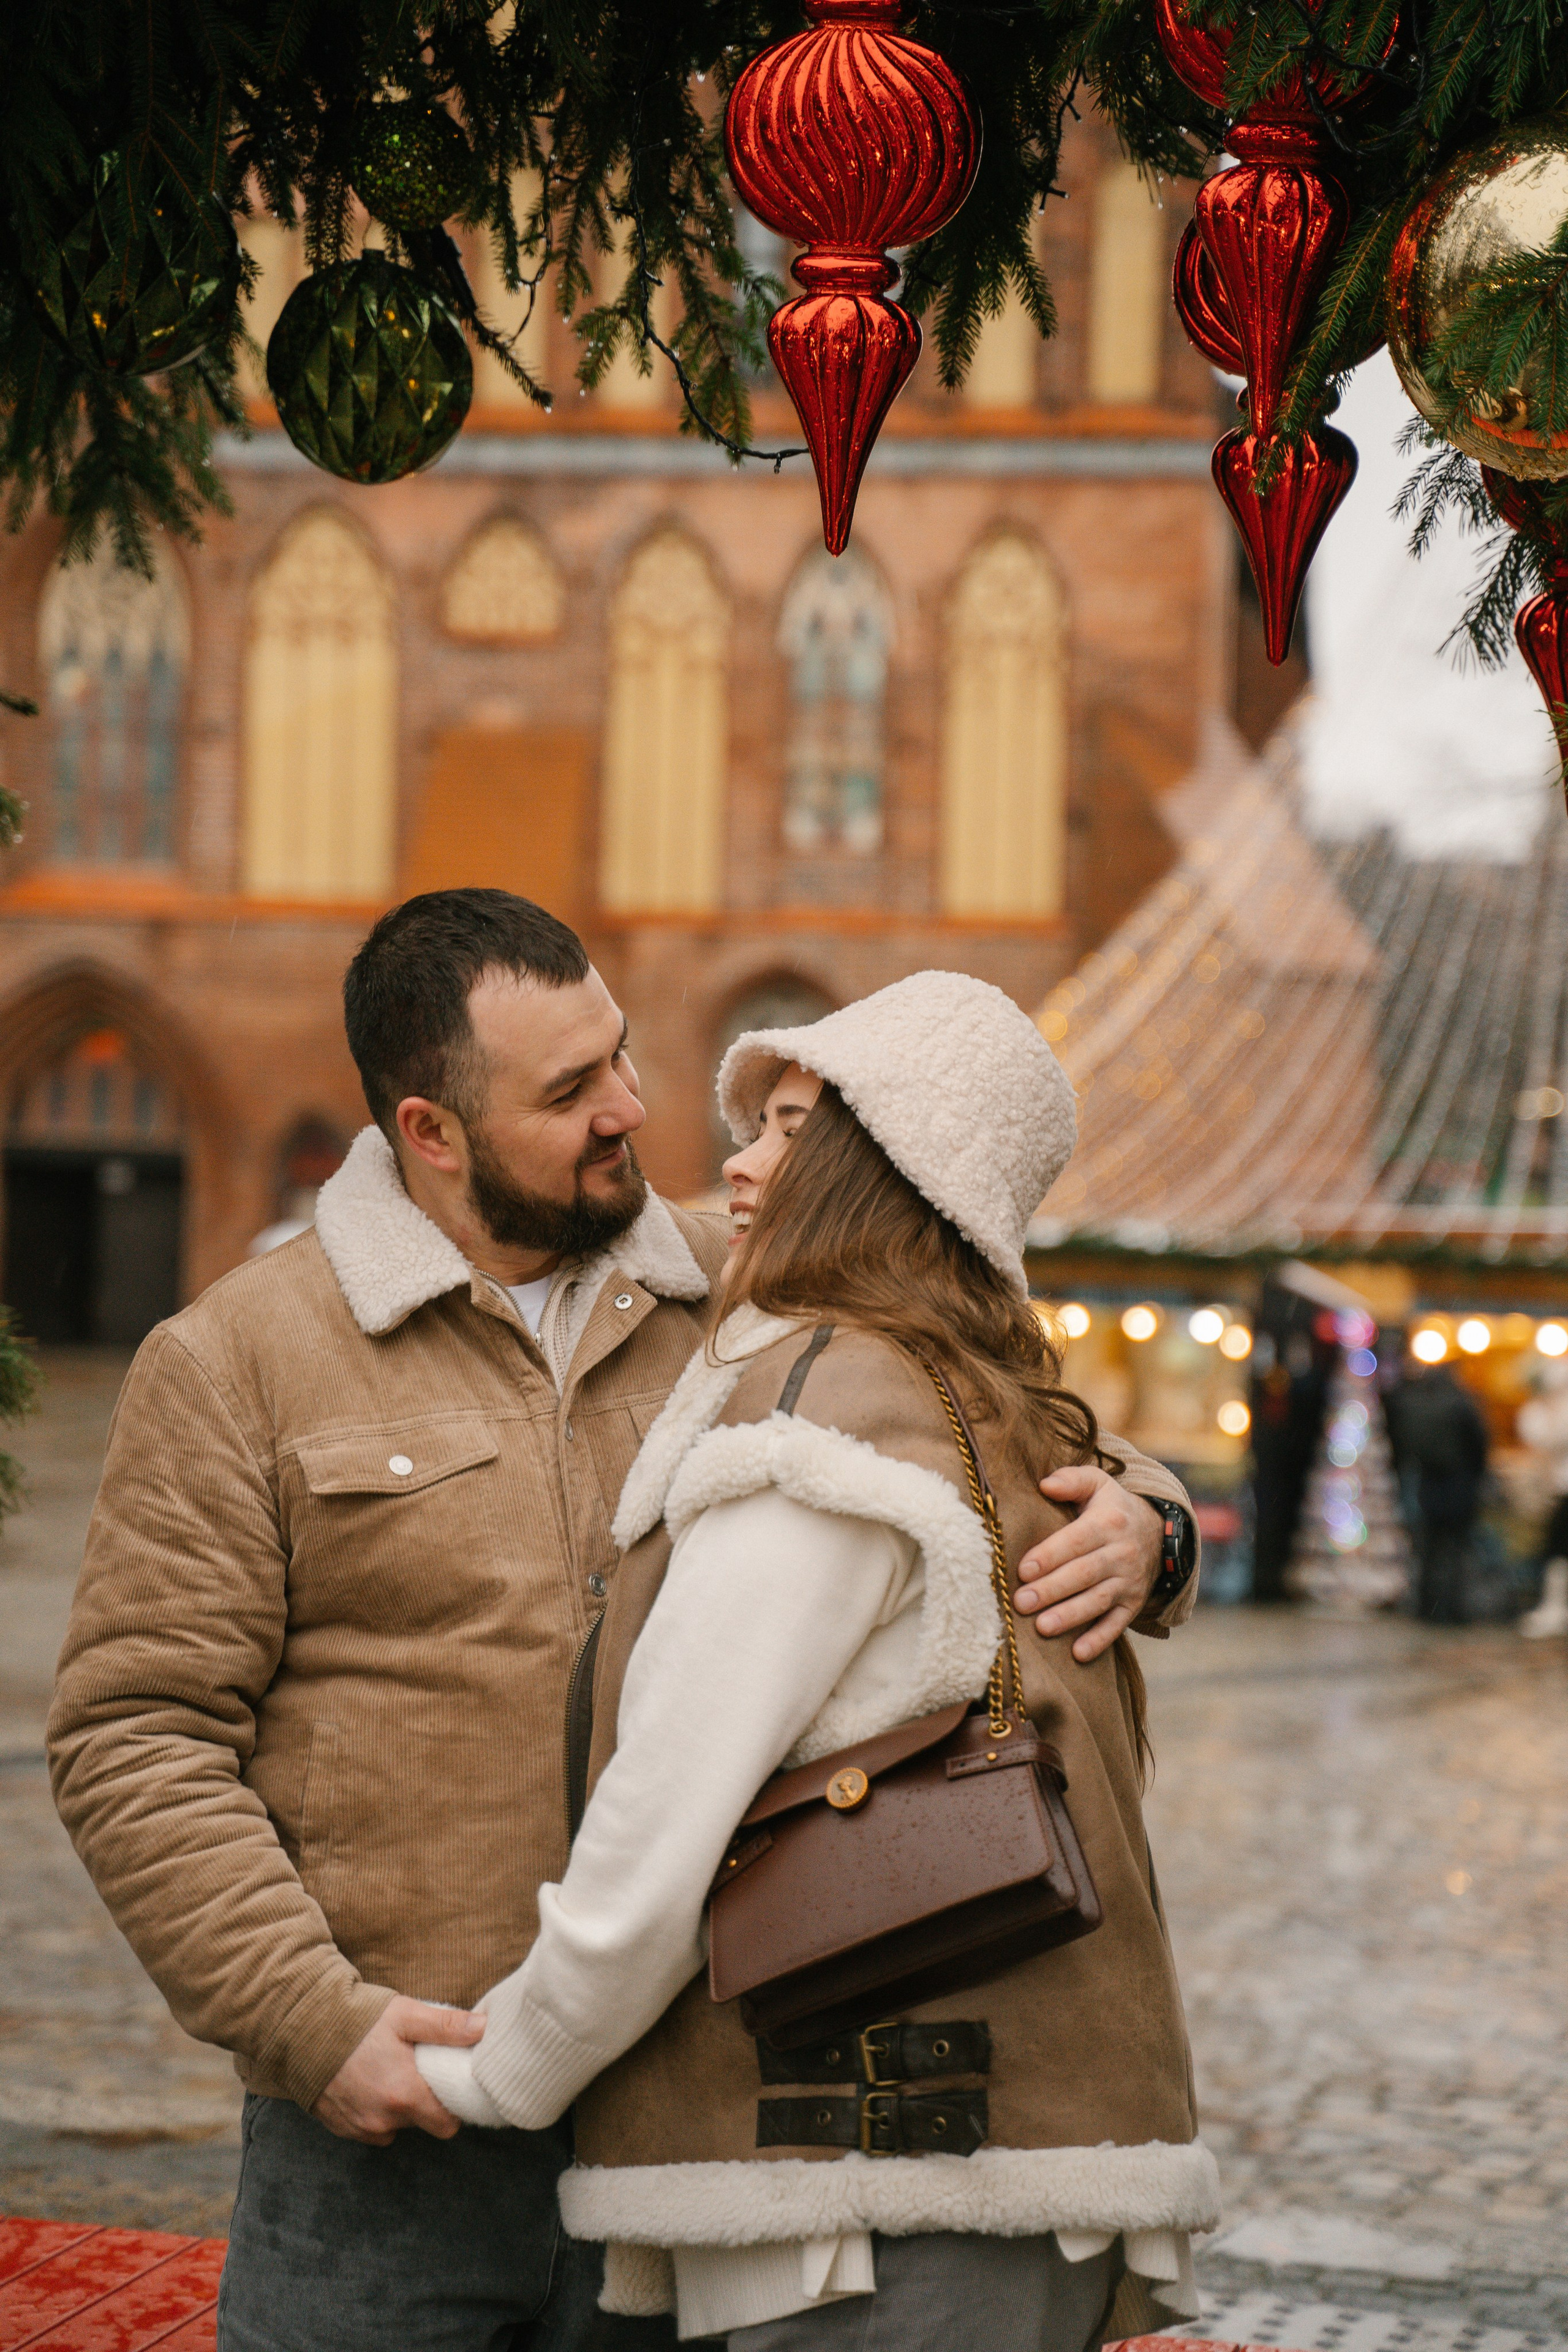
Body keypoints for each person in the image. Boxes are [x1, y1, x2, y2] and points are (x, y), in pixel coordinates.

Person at [46, 897, 1197, 2352]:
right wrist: (306, 2017)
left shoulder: (752, 1270)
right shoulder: (237, 1360)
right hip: (387, 2134)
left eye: (620, 1054)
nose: (631, 1109)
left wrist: (1143, 1516)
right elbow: (133, 1733)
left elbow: (985, 1380)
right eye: (568, 1089)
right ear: (432, 1129)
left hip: (695, 2110)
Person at [418, 973, 1215, 2352]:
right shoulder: (978, 1385)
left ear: (883, 1168)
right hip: (995, 2176)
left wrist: (508, 2069)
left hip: (870, 2209)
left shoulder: (820, 1426)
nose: (736, 1158)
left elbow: (667, 1811)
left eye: (788, 1128)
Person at [1384, 1352, 1490, 1624]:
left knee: (1428, 1549)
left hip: (1426, 1482)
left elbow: (1400, 1441)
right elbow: (1478, 1444)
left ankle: (1427, 1607)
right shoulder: (1460, 1403)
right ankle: (1452, 1609)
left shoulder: (1414, 1403)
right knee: (1455, 1549)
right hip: (1458, 1482)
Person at [1516, 1360, 1568, 1637]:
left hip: (1562, 1490)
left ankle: (1556, 1609)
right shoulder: (1540, 1412)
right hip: (1558, 1491)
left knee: (1558, 1551)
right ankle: (1555, 1608)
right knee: (1556, 1551)